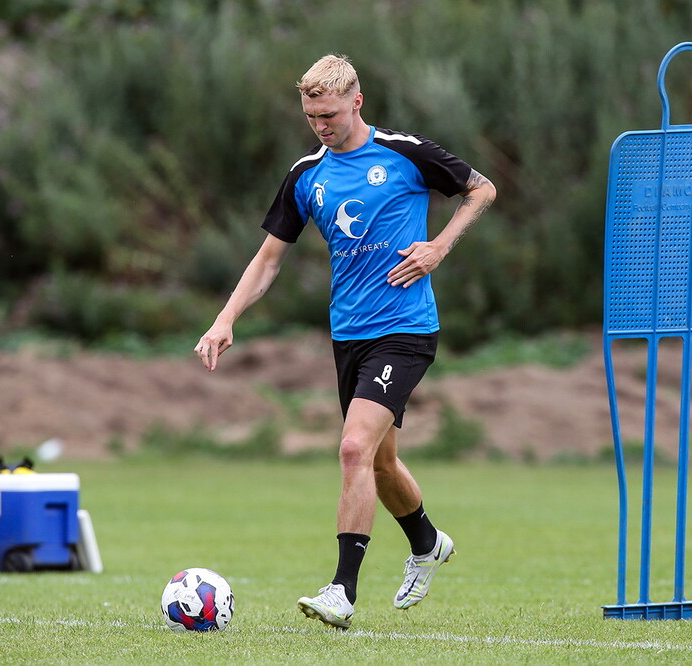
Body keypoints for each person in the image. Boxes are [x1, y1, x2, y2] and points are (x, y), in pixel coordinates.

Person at [194, 54, 496, 630]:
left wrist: (438, 247)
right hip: (349, 335)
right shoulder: (307, 175)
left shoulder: (407, 154)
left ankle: (342, 591)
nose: (321, 126)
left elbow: (482, 190)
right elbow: (269, 258)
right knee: (380, 462)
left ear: (357, 101)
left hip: (406, 330)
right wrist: (225, 318)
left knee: (353, 448)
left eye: (329, 114)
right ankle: (428, 543)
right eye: (311, 117)